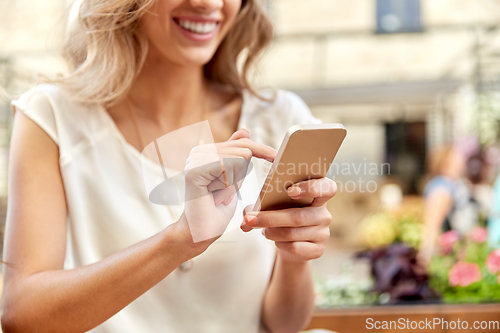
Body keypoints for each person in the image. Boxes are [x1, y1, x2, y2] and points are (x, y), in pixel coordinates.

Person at [0, 0, 337, 332]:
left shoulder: (282, 118)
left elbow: (285, 325)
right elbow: (23, 315)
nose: (209, 3)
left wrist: (293, 257)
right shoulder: (53, 117)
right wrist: (179, 240)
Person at [418, 145, 475, 266]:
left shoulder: (451, 185)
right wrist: (426, 255)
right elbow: (432, 225)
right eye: (457, 157)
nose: (462, 161)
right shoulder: (442, 188)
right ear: (446, 163)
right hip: (445, 256)